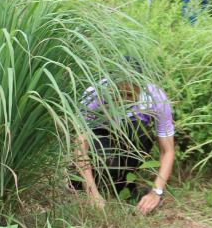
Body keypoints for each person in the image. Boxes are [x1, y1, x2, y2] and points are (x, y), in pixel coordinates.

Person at [73, 71, 176, 216]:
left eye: (129, 95)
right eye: (119, 95)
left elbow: (168, 150)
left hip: (133, 144)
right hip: (102, 141)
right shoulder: (95, 93)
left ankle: (123, 182)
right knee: (106, 158)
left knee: (137, 129)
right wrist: (92, 194)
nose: (124, 101)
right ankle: (87, 181)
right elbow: (80, 146)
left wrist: (156, 192)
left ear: (141, 88)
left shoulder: (156, 97)